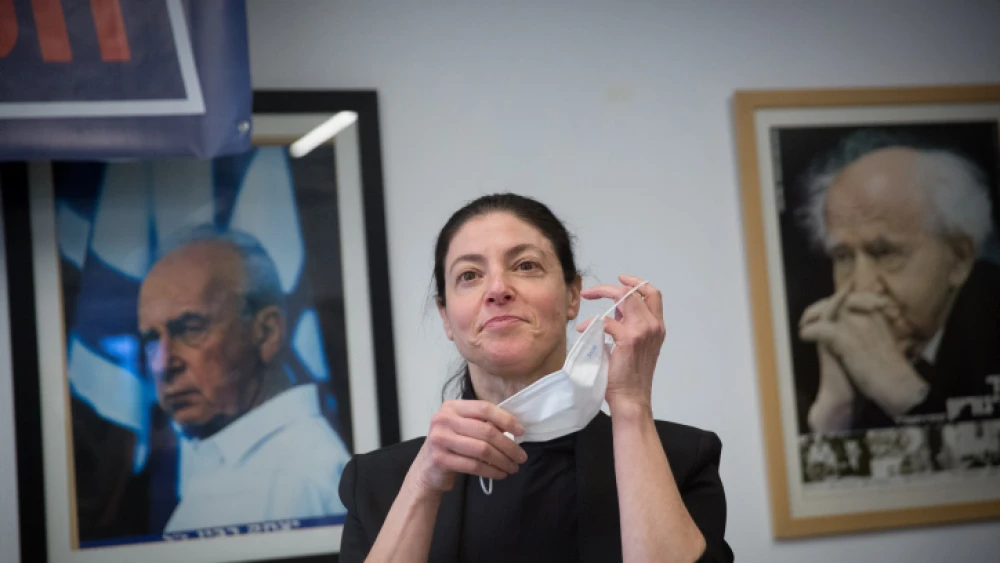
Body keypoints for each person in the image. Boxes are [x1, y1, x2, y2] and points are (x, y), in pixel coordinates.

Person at [337, 194, 733, 562]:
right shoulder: (377, 485)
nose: (497, 289)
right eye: (469, 275)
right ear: (446, 317)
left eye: (526, 265)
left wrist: (630, 404)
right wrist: (422, 485)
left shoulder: (681, 459)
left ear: (573, 296)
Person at [137, 225, 351, 533]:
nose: (162, 363)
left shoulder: (294, 483)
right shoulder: (241, 465)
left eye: (191, 328)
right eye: (151, 339)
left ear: (266, 333)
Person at [797, 131, 1000, 433]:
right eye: (843, 257)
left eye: (885, 253)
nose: (861, 286)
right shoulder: (813, 354)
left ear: (958, 259)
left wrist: (902, 391)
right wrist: (836, 413)